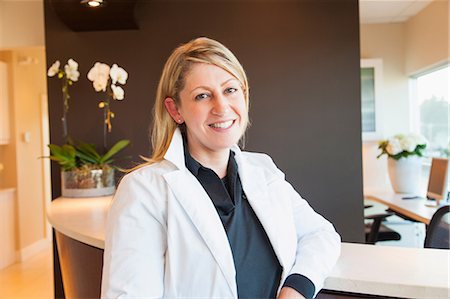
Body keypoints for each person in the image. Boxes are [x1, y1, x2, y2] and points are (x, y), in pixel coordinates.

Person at [101, 37, 341, 299]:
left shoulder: (264, 170)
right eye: (202, 96)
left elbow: (321, 234)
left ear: (244, 94)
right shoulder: (144, 190)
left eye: (230, 90)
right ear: (175, 110)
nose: (222, 107)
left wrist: (295, 290)